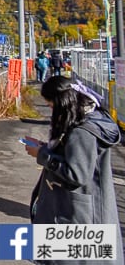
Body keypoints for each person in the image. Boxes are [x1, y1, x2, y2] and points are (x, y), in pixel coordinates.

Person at [24, 76, 123, 264]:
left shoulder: (82, 131)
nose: (52, 111)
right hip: (85, 209)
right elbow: (74, 155)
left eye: (52, 106)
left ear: (63, 103)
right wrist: (45, 147)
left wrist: (42, 154)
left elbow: (76, 173)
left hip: (77, 213)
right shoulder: (89, 119)